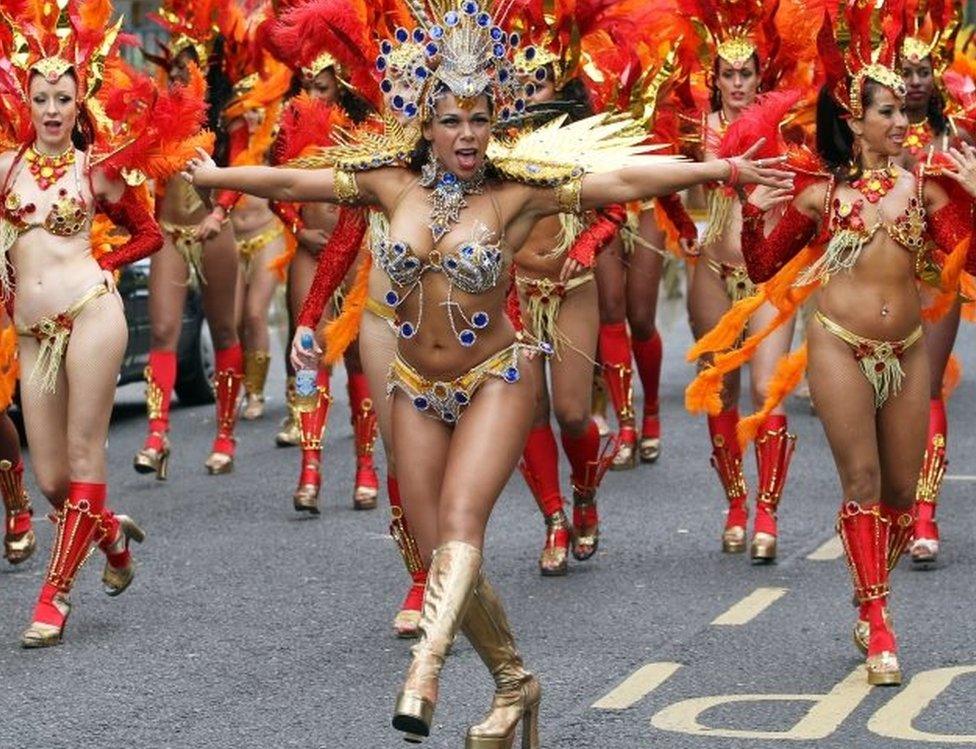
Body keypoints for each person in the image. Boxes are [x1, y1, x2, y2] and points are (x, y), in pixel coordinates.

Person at [182, 0, 790, 739]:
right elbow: (292, 185)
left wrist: (721, 165)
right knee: (438, 546)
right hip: (412, 385)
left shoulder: (517, 192)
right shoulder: (388, 185)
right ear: (426, 126)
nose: (467, 134)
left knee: (465, 523)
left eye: (478, 118)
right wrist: (217, 177)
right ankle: (514, 683)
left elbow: (623, 182)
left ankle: (426, 668)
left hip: (497, 378)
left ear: (493, 121)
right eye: (451, 120)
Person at [733, 6, 976, 685]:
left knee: (900, 488)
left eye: (905, 111)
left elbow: (970, 260)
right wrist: (757, 213)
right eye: (889, 112)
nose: (903, 122)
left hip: (907, 348)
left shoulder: (927, 187)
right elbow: (760, 266)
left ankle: (870, 588)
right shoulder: (820, 194)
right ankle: (879, 621)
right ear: (855, 120)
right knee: (863, 482)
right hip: (838, 345)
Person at [0, 0, 200, 645]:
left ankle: (53, 596)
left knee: (86, 454)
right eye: (41, 99)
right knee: (51, 477)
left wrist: (105, 263)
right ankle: (110, 532)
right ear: (25, 103)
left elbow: (148, 235)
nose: (53, 110)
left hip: (90, 313)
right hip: (33, 334)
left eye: (63, 97)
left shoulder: (97, 170)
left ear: (79, 99)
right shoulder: (5, 168)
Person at [263, 0, 381, 511]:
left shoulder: (365, 128)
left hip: (357, 252)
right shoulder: (289, 124)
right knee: (306, 350)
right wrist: (298, 229)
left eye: (323, 85)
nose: (314, 94)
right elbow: (275, 188)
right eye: (308, 85)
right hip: (312, 250)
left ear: (341, 85)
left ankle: (365, 467)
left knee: (358, 357)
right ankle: (310, 469)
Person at [136, 1, 245, 478]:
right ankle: (157, 435)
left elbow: (241, 167)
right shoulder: (156, 116)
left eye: (188, 67)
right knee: (163, 331)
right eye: (174, 69)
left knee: (224, 330)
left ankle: (224, 434)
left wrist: (220, 211)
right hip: (169, 232)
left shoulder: (227, 113)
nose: (179, 76)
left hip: (214, 228)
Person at [898, 10, 969, 565]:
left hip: (937, 272)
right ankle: (894, 505)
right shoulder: (877, 129)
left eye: (925, 70)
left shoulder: (960, 129)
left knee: (927, 389)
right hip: (879, 271)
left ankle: (925, 517)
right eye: (908, 70)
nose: (918, 80)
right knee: (888, 393)